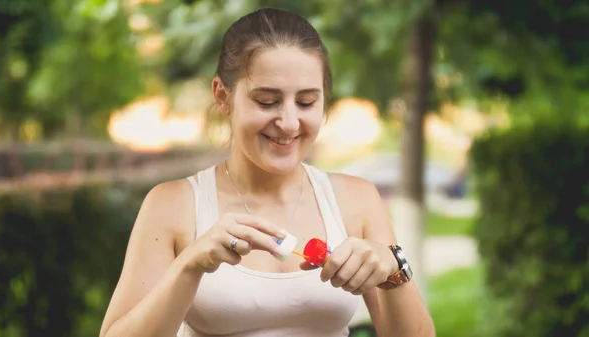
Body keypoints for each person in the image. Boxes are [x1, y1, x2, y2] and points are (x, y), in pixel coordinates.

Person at [99, 7, 434, 337]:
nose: (289, 123)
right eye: (267, 101)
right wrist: (190, 266)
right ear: (222, 96)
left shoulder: (357, 200)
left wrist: (393, 270)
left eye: (305, 102)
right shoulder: (172, 205)